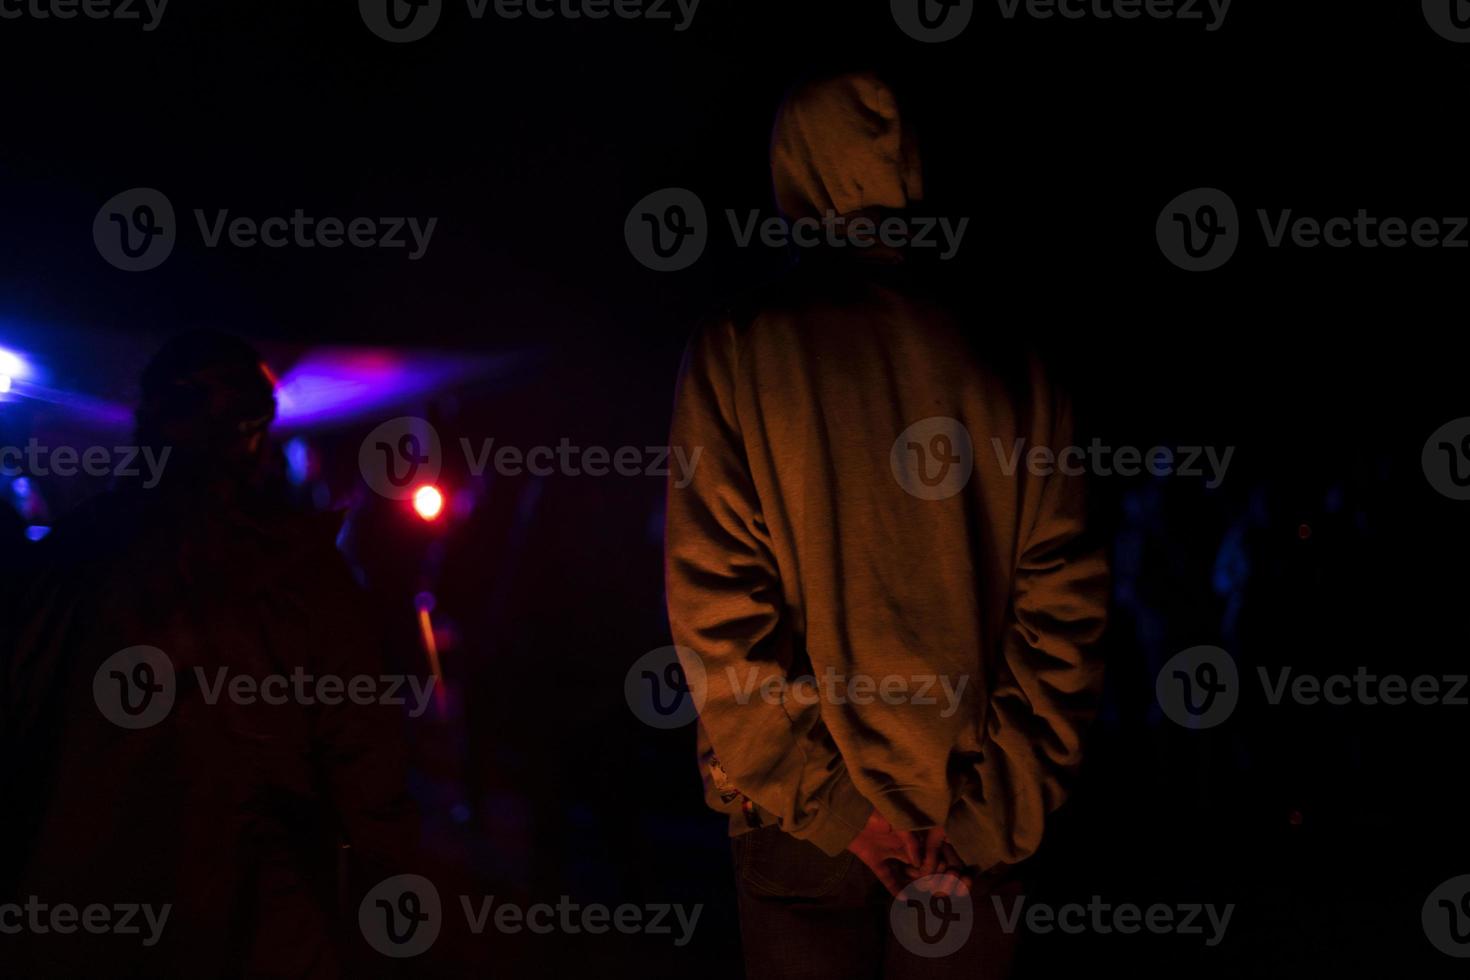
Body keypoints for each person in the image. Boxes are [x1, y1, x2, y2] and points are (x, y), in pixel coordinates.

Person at [664, 71, 1109, 979]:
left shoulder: (740, 349)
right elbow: (1066, 613)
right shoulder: (1013, 360)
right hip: (972, 833)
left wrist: (832, 806)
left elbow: (713, 611)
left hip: (802, 836)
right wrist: (986, 815)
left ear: (793, 168)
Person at [0, 331, 418, 978]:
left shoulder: (71, 556)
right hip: (254, 920)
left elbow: (19, 719)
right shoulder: (301, 572)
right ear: (251, 435)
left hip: (89, 916)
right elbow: (365, 758)